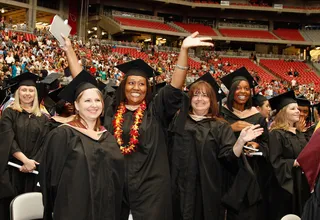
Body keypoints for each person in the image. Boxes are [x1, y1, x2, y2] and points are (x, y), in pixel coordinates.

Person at [62, 32, 213, 220]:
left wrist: (183, 50)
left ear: (147, 88)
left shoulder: (156, 111)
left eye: (141, 84)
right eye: (131, 83)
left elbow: (174, 86)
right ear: (124, 85)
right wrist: (69, 49)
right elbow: (84, 82)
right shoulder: (110, 107)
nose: (136, 87)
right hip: (116, 185)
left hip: (152, 189)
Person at [170, 72, 264, 220]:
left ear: (212, 100)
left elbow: (228, 156)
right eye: (196, 95)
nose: (200, 99)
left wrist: (240, 142)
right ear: (190, 98)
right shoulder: (178, 122)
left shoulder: (220, 126)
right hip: (179, 188)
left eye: (205, 95)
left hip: (209, 189)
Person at [40, 70, 124, 220]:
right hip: (73, 210)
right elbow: (51, 180)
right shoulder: (62, 135)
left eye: (97, 100)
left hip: (106, 210)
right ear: (76, 105)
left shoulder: (108, 137)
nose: (93, 105)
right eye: (87, 101)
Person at [220, 67, 270, 220]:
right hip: (225, 170)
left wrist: (257, 146)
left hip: (249, 172)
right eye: (238, 88)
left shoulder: (257, 117)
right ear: (231, 91)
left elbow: (267, 146)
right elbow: (212, 140)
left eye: (247, 88)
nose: (243, 91)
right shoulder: (220, 113)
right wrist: (230, 128)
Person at [0, 72, 49, 219]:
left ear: (35, 93)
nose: (27, 93)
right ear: (18, 92)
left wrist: (32, 163)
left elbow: (45, 143)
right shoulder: (9, 113)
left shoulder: (43, 118)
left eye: (31, 90)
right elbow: (8, 139)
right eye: (23, 90)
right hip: (12, 170)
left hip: (34, 172)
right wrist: (25, 161)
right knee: (10, 210)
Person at [268, 91, 310, 220]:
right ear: (283, 112)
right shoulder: (276, 134)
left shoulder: (300, 133)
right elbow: (274, 161)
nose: (298, 111)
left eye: (297, 108)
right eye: (293, 109)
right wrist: (293, 163)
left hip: (302, 183)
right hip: (287, 186)